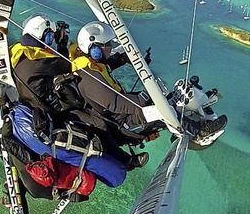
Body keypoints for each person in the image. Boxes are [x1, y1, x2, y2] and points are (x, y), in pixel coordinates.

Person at [10, 13, 147, 171]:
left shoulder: (21, 53)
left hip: (37, 102)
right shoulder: (38, 62)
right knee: (98, 123)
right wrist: (64, 45)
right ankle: (125, 161)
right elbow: (71, 65)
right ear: (42, 34)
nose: (52, 39)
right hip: (54, 110)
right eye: (50, 35)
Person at [72, 21, 227, 141]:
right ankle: (199, 132)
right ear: (94, 49)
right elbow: (115, 103)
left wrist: (128, 58)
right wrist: (147, 97)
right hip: (123, 124)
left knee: (168, 98)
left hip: (125, 115)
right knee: (161, 109)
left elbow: (109, 63)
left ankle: (185, 122)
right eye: (107, 45)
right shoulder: (88, 77)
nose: (110, 48)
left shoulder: (93, 66)